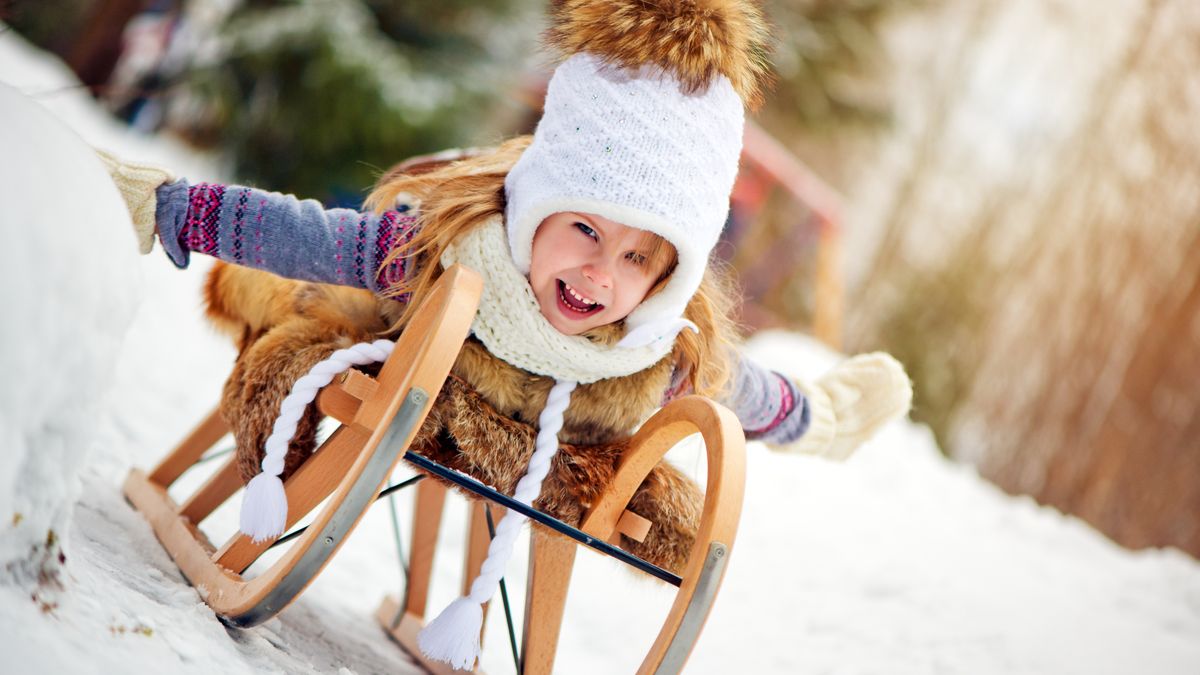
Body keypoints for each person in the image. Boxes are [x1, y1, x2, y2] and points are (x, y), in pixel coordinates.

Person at [100, 0, 911, 666]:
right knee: (312, 291)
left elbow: (745, 389)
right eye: (584, 230)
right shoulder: (444, 247)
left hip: (539, 436)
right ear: (538, 207)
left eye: (637, 258)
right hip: (419, 356)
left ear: (668, 278)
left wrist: (820, 415)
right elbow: (309, 235)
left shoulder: (656, 344)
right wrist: (173, 209)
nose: (600, 274)